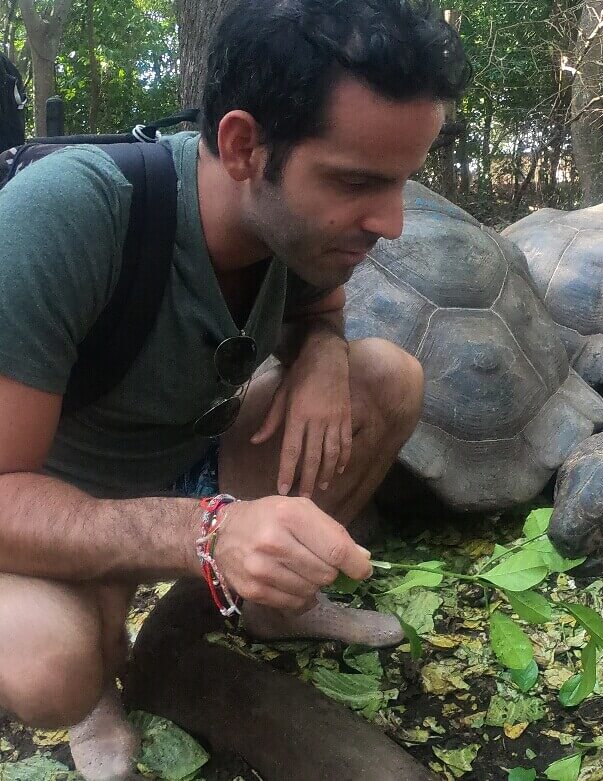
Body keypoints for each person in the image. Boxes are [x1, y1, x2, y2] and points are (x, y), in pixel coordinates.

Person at [0, 0, 470, 777]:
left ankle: (268, 607)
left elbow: (319, 302)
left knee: (385, 378)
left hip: (190, 451)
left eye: (400, 184)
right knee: (52, 662)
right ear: (244, 145)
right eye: (358, 182)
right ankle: (100, 680)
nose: (391, 222)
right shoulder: (66, 216)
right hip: (56, 498)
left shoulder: (295, 226)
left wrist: (322, 347)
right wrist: (208, 532)